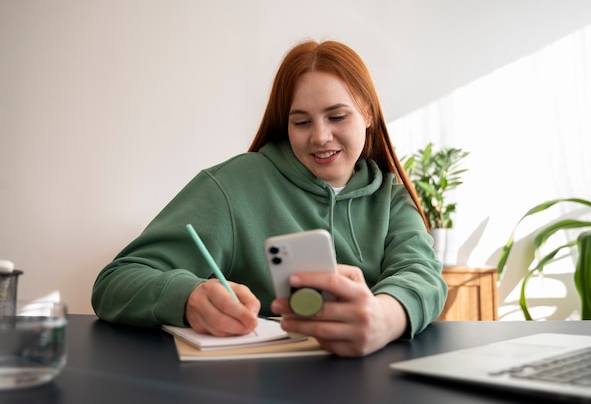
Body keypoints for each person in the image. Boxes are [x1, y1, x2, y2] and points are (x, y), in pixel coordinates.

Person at [91, 40, 447, 357]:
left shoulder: (391, 197)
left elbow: (422, 275)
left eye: (337, 116)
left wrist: (383, 318)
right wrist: (188, 297)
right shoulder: (233, 185)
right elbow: (115, 282)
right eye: (301, 122)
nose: (321, 136)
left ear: (368, 113)